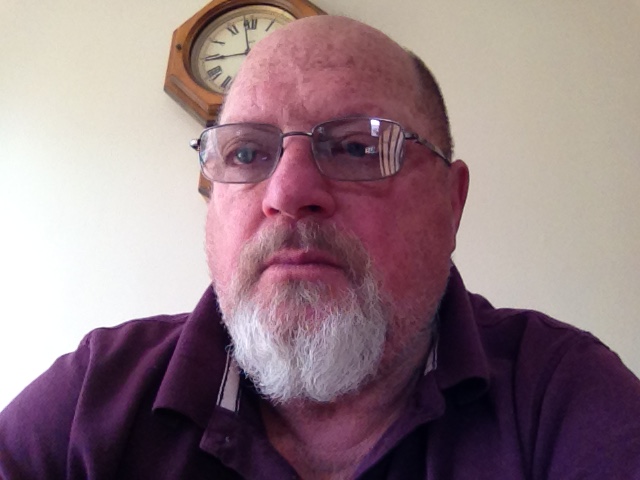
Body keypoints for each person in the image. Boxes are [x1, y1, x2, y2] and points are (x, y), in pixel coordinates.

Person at [1, 15, 639, 480]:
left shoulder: (561, 398)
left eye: (358, 147)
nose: (288, 193)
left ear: (451, 203)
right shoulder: (89, 406)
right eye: (246, 153)